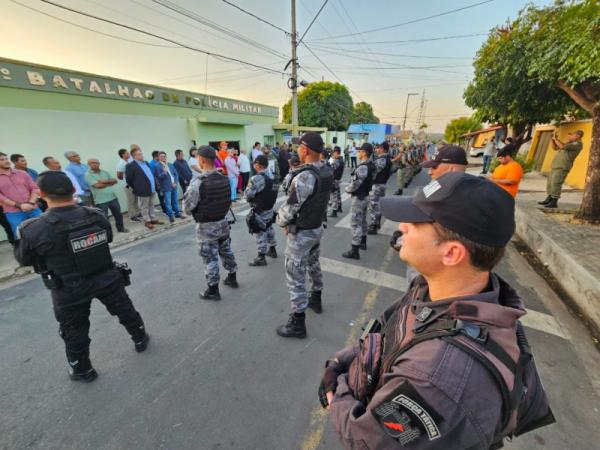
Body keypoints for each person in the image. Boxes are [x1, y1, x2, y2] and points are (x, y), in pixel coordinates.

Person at [322, 172, 553, 449]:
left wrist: (338, 392)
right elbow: (389, 331)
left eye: (416, 222)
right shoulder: (438, 290)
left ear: (451, 254)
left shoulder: (436, 378)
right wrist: (342, 361)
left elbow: (366, 440)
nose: (403, 226)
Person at [14, 171, 149, 383]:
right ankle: (140, 338)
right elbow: (108, 237)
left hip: (68, 288)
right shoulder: (95, 215)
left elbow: (25, 259)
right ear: (74, 190)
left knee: (74, 330)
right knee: (125, 310)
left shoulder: (33, 228)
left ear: (41, 194)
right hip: (106, 277)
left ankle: (83, 369)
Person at [276, 133, 333, 337]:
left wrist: (282, 222)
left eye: (299, 147)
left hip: (302, 233)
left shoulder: (304, 176)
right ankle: (316, 296)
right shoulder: (327, 169)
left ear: (306, 149)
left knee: (295, 275)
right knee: (313, 263)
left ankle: (297, 322)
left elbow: (290, 208)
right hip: (316, 227)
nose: (296, 150)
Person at [183, 146, 238, 300]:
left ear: (200, 160)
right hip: (223, 223)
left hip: (207, 227)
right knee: (226, 251)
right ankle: (232, 277)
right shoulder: (224, 178)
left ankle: (213, 290)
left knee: (210, 258)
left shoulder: (198, 183)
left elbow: (187, 208)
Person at [245, 155, 279, 267]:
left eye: (255, 163)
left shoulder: (257, 178)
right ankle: (272, 249)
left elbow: (248, 195)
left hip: (260, 209)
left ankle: (261, 257)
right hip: (270, 208)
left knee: (259, 231)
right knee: (269, 227)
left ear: (258, 165)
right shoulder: (274, 176)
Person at [342, 143, 374, 260]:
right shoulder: (371, 165)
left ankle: (354, 250)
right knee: (363, 221)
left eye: (360, 150)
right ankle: (363, 242)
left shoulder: (363, 167)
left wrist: (347, 189)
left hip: (359, 198)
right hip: (365, 195)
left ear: (364, 152)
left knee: (356, 223)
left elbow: (355, 184)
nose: (358, 152)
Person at [539, 129, 584, 209]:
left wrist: (556, 139)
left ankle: (554, 202)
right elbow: (554, 147)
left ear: (577, 136)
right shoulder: (569, 143)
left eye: (571, 134)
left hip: (562, 167)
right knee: (550, 183)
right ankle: (549, 198)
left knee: (556, 183)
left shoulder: (577, 144)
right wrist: (552, 139)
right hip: (555, 166)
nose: (569, 136)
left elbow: (562, 146)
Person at [0, 152, 41, 236]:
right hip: (14, 213)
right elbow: (1, 197)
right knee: (22, 237)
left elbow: (35, 188)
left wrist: (31, 203)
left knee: (44, 232)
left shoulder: (22, 173)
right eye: (2, 160)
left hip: (33, 208)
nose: (6, 161)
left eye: (6, 159)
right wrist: (19, 205)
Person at [84, 158, 128, 233]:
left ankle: (121, 228)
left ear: (99, 163)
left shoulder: (104, 172)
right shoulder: (88, 174)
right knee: (104, 218)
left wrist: (104, 181)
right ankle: (108, 232)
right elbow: (97, 186)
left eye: (96, 162)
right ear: (89, 165)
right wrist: (109, 183)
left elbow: (115, 180)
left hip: (112, 197)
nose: (94, 164)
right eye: (91, 163)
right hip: (100, 200)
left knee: (118, 214)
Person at [125, 147, 164, 230]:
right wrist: (137, 187)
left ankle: (153, 219)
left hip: (152, 188)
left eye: (141, 153)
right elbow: (129, 180)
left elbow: (150, 174)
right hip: (142, 189)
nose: (141, 155)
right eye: (139, 154)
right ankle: (147, 221)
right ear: (134, 156)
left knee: (151, 204)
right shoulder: (130, 166)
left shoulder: (145, 163)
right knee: (144, 206)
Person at [367, 142, 393, 234]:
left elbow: (373, 171)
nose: (377, 149)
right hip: (382, 184)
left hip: (378, 184)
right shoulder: (387, 158)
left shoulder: (382, 160)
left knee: (374, 205)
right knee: (377, 205)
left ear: (382, 149)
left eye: (378, 148)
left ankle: (374, 225)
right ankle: (376, 223)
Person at [153, 151, 183, 223]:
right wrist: (164, 172)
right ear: (159, 157)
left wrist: (175, 182)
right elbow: (158, 177)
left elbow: (176, 174)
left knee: (175, 201)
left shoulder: (170, 164)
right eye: (161, 156)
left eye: (164, 156)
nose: (163, 157)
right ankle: (170, 216)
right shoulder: (157, 166)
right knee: (168, 202)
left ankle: (177, 213)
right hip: (166, 187)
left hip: (174, 186)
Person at [116, 148, 141, 221]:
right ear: (123, 155)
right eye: (127, 153)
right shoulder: (121, 163)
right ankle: (132, 216)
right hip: (128, 185)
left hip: (134, 184)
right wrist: (126, 180)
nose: (129, 154)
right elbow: (119, 176)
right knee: (131, 200)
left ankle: (138, 213)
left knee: (135, 199)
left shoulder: (129, 161)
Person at [328, 146, 345, 217]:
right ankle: (339, 207)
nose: (332, 155)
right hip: (338, 179)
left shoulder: (337, 161)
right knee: (337, 194)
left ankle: (334, 211)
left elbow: (330, 169)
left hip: (334, 180)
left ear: (336, 152)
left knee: (334, 196)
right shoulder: (341, 160)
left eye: (333, 153)